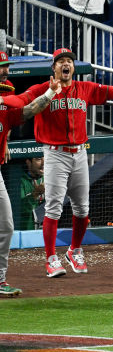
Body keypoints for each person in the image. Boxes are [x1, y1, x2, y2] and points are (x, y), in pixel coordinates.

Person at [7, 48, 113, 277]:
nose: (65, 64)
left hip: (79, 152)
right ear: (54, 68)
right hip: (55, 153)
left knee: (82, 208)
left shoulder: (84, 89)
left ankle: (74, 250)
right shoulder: (43, 89)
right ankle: (51, 258)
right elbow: (20, 101)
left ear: (73, 67)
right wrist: (2, 99)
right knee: (53, 207)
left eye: (69, 61)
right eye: (61, 62)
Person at [0, 54, 60, 296]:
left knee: (5, 225)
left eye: (6, 67)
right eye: (1, 68)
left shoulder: (6, 102)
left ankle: (0, 280)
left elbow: (26, 110)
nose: (5, 72)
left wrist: (50, 93)